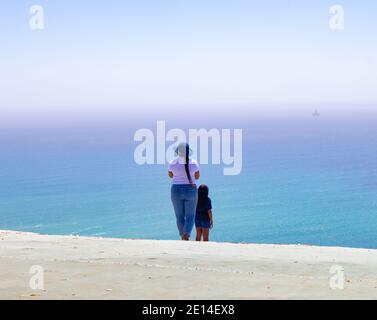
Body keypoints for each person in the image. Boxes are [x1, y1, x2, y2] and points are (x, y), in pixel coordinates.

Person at [168, 143, 200, 240]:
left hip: (176, 190)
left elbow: (170, 175)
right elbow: (197, 176)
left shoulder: (172, 162)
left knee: (179, 216)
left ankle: (183, 235)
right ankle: (186, 235)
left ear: (178, 151)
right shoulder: (193, 163)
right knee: (190, 215)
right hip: (190, 189)